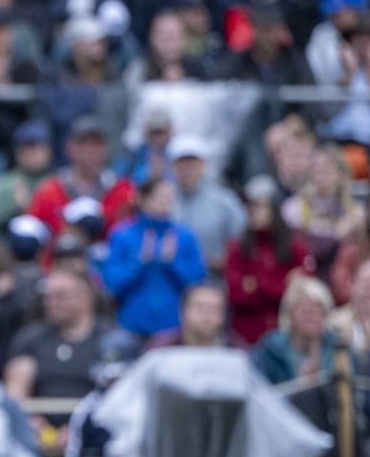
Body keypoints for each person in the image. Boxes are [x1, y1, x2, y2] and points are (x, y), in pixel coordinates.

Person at [99, 176, 207, 339]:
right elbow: (112, 284)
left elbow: (198, 283)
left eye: (169, 197)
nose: (165, 202)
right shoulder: (121, 235)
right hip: (131, 325)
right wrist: (139, 262)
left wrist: (173, 264)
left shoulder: (185, 236)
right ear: (142, 199)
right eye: (159, 196)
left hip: (173, 326)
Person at [3, 267, 112, 420]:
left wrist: (81, 429)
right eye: (47, 297)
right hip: (37, 434)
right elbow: (15, 393)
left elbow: (118, 397)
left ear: (86, 296)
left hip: (94, 429)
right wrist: (30, 423)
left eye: (60, 296)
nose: (51, 303)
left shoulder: (110, 339)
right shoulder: (30, 338)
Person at [225, 175, 315, 347]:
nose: (253, 212)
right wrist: (281, 284)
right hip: (247, 335)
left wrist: (257, 283)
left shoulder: (294, 246)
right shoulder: (238, 247)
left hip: (286, 333)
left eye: (260, 206)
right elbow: (236, 294)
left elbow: (300, 292)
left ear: (274, 208)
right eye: (250, 206)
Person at [166, 137, 246, 269]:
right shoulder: (161, 200)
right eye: (181, 163)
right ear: (172, 167)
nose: (187, 169)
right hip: (171, 280)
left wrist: (225, 261)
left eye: (192, 163)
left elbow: (243, 241)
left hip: (215, 280)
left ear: (203, 165)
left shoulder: (225, 200)